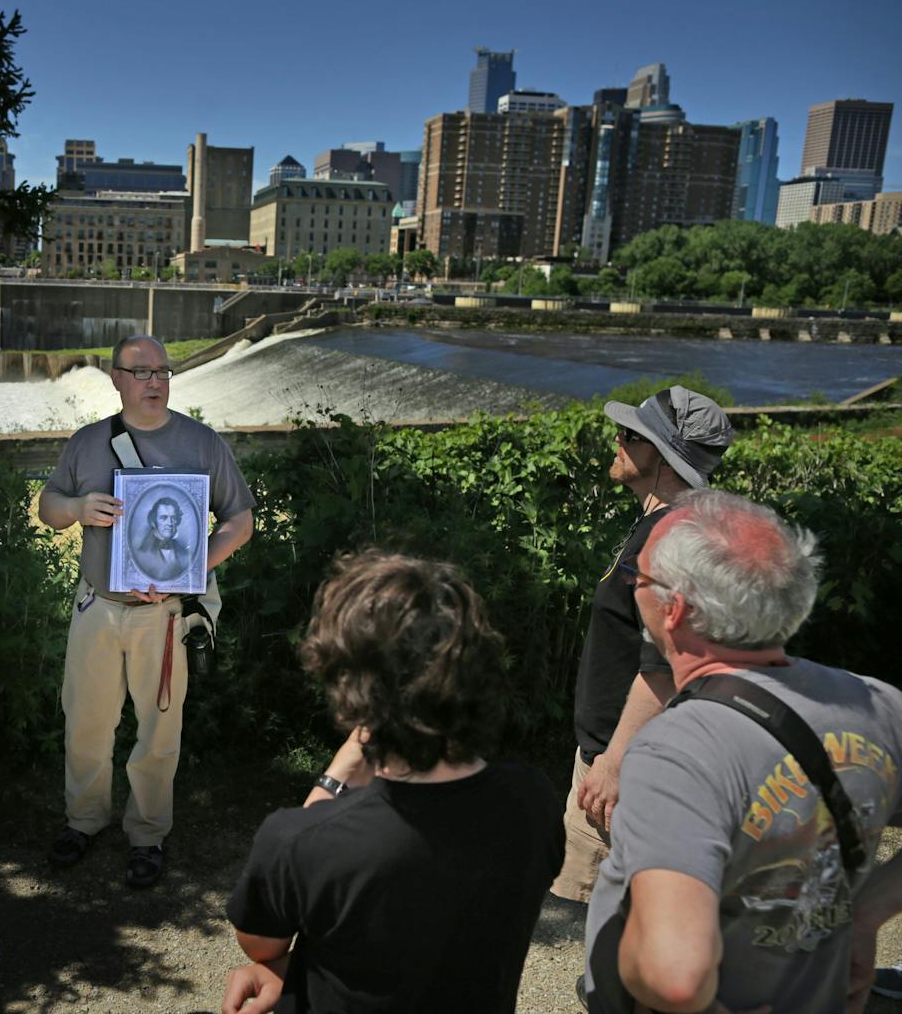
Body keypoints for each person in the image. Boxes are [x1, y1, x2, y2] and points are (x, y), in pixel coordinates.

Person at [583, 490, 902, 1012]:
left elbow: (675, 979)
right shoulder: (878, 703)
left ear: (675, 609)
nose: (631, 589)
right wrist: (868, 912)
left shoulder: (678, 750)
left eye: (636, 580)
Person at [222, 552, 563, 1013]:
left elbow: (262, 944)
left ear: (348, 687)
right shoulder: (533, 800)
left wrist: (339, 770)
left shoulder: (302, 839)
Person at [38, 334, 255, 887]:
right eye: (141, 372)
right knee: (87, 722)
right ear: (116, 378)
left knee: (159, 731)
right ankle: (83, 821)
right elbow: (48, 507)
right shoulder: (88, 443)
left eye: (162, 371)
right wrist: (78, 507)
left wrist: (192, 564)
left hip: (164, 618)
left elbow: (240, 519)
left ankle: (148, 834)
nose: (154, 381)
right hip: (98, 607)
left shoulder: (201, 444)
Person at [552, 385, 734, 903]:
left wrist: (612, 762)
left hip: (628, 762)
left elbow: (664, 666)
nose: (617, 440)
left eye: (631, 435)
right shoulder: (679, 526)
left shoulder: (670, 538)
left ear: (661, 454)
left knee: (619, 921)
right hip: (625, 752)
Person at [134, 495, 192, 580]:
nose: (170, 523)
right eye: (164, 518)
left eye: (173, 518)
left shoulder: (185, 553)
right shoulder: (141, 553)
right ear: (154, 521)